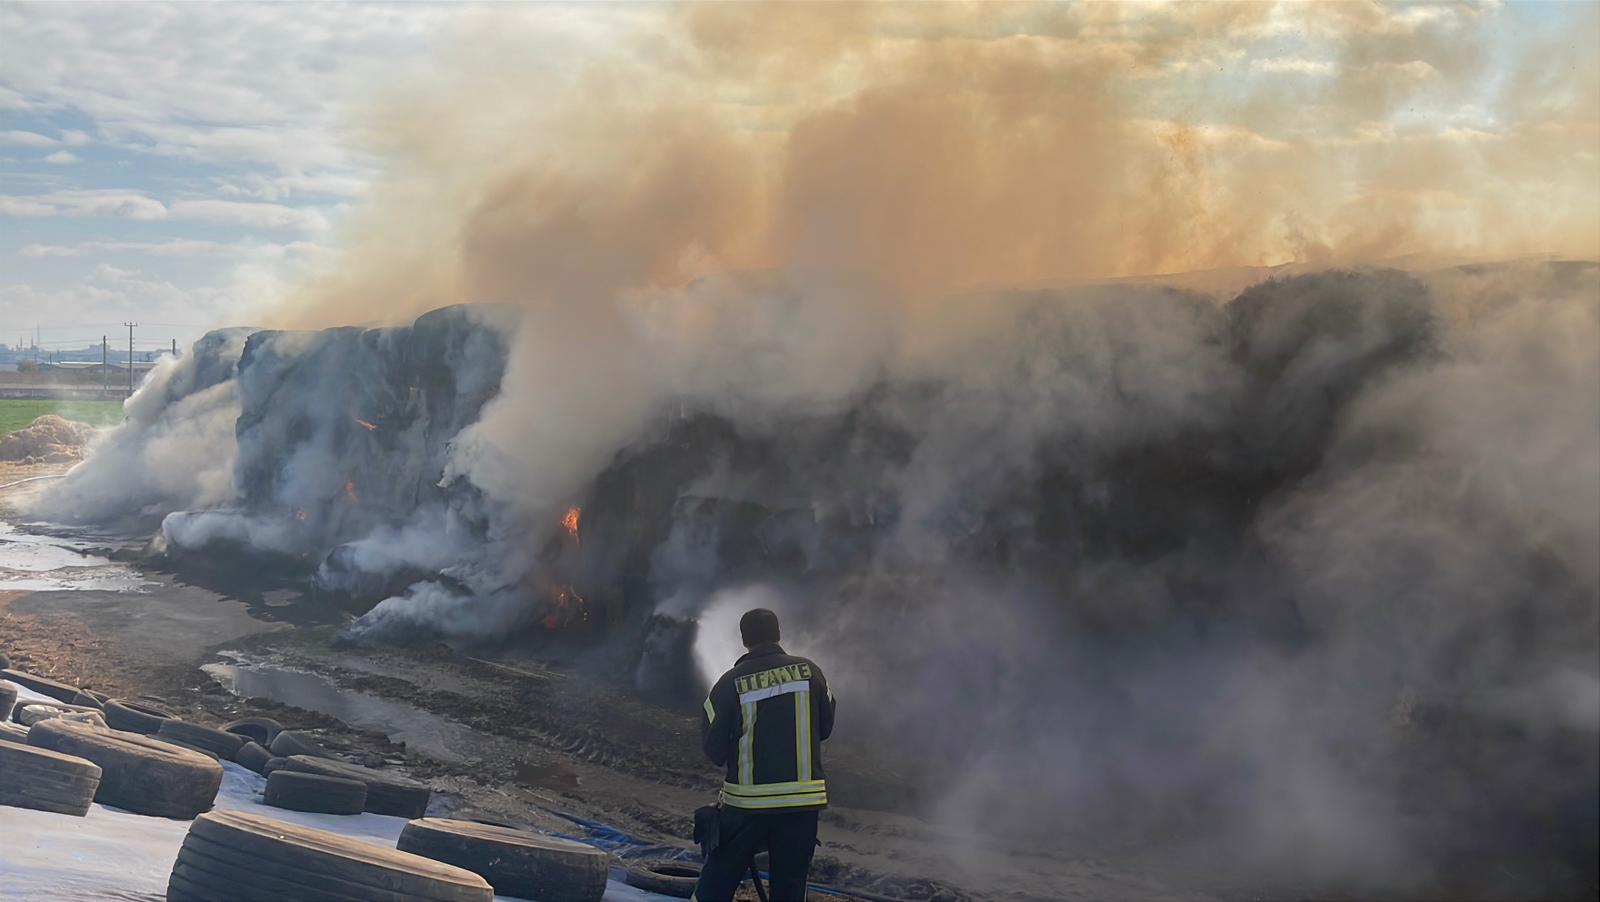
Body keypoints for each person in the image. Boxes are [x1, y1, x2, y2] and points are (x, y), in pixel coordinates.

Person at [694, 608, 836, 902]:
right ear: (779, 634)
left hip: (747, 806)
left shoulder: (728, 683)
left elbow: (713, 750)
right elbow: (825, 727)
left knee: (716, 882)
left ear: (744, 639)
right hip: (802, 804)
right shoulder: (811, 672)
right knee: (790, 888)